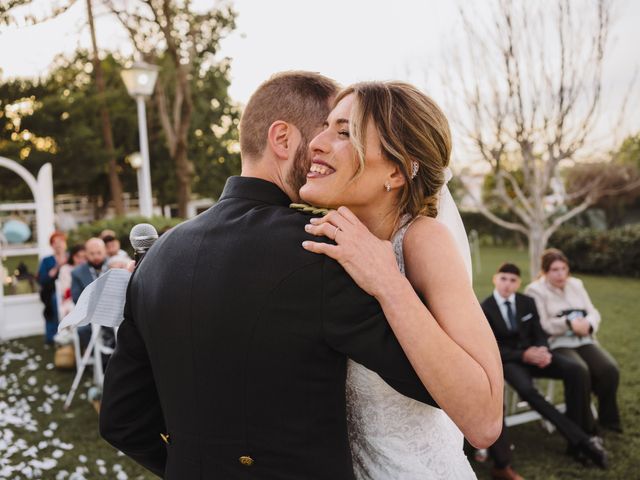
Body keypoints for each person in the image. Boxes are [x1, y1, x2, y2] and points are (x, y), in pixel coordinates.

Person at [100, 72, 445, 480]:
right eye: (323, 136)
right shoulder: (322, 250)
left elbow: (120, 420)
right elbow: (433, 383)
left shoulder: (158, 255)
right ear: (282, 139)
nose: (324, 152)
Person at [299, 81, 503, 478]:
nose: (316, 143)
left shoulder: (423, 241)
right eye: (325, 127)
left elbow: (484, 422)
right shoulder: (323, 239)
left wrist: (387, 281)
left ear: (395, 170)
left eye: (344, 132)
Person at [481, 263, 607, 477]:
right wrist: (522, 355)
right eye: (503, 279)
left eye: (513, 280)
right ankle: (582, 441)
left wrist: (543, 350)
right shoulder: (485, 307)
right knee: (529, 392)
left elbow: (539, 332)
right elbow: (491, 348)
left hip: (537, 355)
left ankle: (580, 432)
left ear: (518, 283)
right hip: (511, 362)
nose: (507, 284)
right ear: (495, 279)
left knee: (576, 370)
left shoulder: (527, 302)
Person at [525, 249, 622, 434]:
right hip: (557, 343)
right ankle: (584, 427)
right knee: (581, 371)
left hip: (584, 339)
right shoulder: (535, 290)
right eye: (554, 270)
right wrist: (568, 324)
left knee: (609, 369)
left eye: (563, 268)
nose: (560, 274)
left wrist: (589, 324)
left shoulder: (576, 284)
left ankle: (609, 420)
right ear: (545, 271)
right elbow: (542, 325)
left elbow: (593, 311)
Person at [37, 231, 68, 344]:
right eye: (55, 242)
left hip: (69, 289)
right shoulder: (46, 260)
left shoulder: (71, 256)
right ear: (52, 245)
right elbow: (42, 279)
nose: (59, 244)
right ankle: (54, 336)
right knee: (54, 303)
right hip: (51, 292)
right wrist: (57, 267)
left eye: (61, 241)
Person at [57, 244, 86, 319]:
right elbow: (66, 291)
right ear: (72, 256)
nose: (81, 260)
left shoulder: (88, 269)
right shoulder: (65, 269)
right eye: (78, 257)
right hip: (71, 300)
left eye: (84, 257)